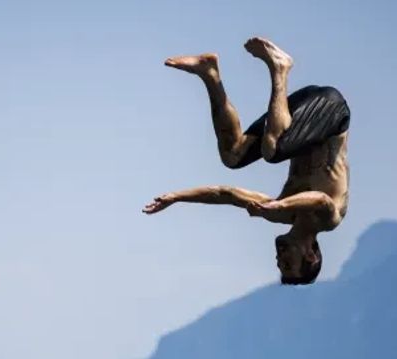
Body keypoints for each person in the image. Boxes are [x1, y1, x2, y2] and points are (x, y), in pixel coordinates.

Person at [143, 37, 350, 285]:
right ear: (311, 255)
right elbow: (321, 199)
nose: (278, 256)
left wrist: (176, 197)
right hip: (331, 112)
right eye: (287, 262)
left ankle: (209, 72)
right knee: (272, 150)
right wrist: (278, 206)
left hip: (294, 113)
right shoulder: (329, 219)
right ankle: (280, 68)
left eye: (278, 263)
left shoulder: (278, 212)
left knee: (233, 155)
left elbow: (225, 194)